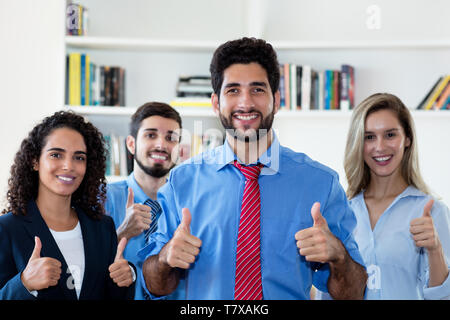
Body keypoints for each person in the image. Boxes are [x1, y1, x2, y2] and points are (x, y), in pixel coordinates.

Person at [138, 37, 367, 300]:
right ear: (215, 103)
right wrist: (166, 258)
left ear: (276, 100)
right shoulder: (181, 181)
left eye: (257, 89)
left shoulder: (321, 183)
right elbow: (155, 285)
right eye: (233, 90)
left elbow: (354, 293)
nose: (245, 103)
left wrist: (338, 256)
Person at [318, 93, 450, 299]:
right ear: (358, 143)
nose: (380, 147)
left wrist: (435, 250)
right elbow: (327, 293)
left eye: (390, 135)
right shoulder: (342, 212)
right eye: (369, 137)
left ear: (407, 139)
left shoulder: (432, 211)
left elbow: (443, 295)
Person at [0, 111, 135, 300]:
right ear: (35, 161)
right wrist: (24, 284)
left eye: (79, 157)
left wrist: (125, 278)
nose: (68, 166)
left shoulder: (103, 227)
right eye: (56, 155)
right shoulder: (6, 228)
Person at [104, 102, 183, 300]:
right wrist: (121, 233)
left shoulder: (189, 206)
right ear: (131, 144)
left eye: (171, 138)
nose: (161, 145)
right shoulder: (102, 198)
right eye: (151, 135)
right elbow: (80, 265)